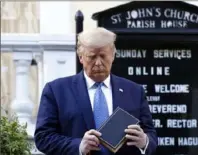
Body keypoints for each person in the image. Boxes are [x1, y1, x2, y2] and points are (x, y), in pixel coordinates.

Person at [34, 27, 157, 155]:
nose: (98, 63)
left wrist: (144, 142)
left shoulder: (134, 91)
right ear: (81, 57)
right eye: (92, 57)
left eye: (103, 56)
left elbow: (151, 135)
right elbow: (42, 137)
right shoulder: (56, 91)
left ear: (113, 55)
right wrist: (79, 146)